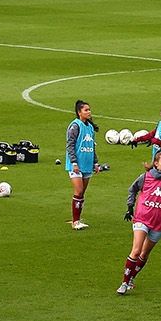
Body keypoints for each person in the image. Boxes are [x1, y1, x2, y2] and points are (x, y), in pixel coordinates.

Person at [117, 149, 161, 294]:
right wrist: (130, 207)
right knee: (136, 251)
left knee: (144, 254)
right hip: (143, 218)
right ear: (156, 164)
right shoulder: (146, 177)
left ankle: (131, 278)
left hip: (160, 222)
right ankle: (124, 283)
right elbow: (132, 189)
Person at [65, 99, 97, 230]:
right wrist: (73, 162)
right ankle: (75, 221)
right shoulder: (75, 126)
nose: (89, 112)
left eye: (89, 110)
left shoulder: (90, 127)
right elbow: (70, 145)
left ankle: (77, 218)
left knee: (82, 193)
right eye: (86, 110)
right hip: (76, 165)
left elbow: (92, 146)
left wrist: (95, 163)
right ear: (79, 112)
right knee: (78, 191)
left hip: (87, 164)